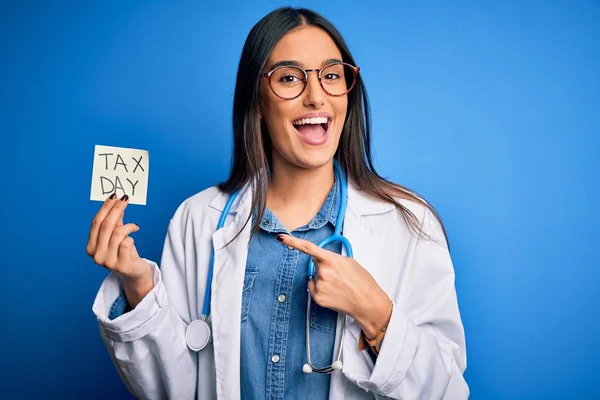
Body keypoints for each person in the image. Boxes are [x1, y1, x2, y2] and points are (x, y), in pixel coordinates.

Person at [88, 6, 468, 400]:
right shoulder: (198, 219)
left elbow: (448, 391)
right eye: (290, 78)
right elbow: (175, 392)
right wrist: (138, 285)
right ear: (257, 103)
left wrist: (376, 315)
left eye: (332, 75)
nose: (316, 96)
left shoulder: (408, 223)